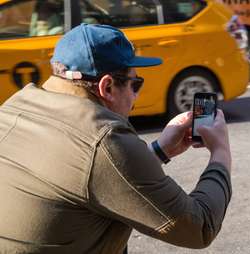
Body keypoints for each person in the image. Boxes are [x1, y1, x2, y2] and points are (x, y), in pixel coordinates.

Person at [0, 24, 232, 253]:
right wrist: (220, 152)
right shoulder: (105, 138)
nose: (136, 96)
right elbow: (199, 228)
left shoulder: (13, 106)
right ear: (107, 87)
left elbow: (83, 175)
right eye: (135, 84)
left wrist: (161, 150)